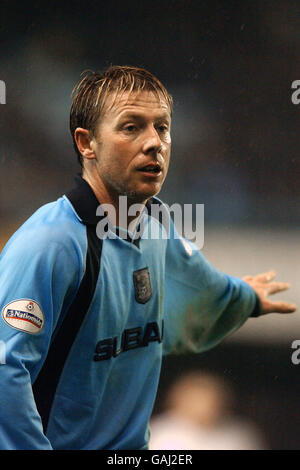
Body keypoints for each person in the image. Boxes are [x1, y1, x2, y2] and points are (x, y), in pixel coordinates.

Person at [0, 65, 296, 450]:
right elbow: (6, 372)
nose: (155, 142)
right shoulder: (50, 244)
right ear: (86, 143)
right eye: (131, 127)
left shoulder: (156, 222)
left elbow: (197, 286)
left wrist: (245, 298)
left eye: (162, 127)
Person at [149, 371, 267, 450]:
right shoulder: (158, 433)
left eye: (211, 399)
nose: (205, 405)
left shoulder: (240, 434)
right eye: (197, 399)